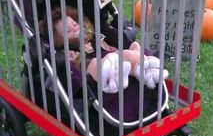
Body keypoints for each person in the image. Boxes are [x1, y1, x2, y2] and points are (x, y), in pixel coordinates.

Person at [39, 6, 168, 95]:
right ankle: (134, 67)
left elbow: (110, 39)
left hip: (118, 59)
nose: (75, 29)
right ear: (60, 41)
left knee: (131, 49)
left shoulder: (94, 35)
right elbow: (77, 67)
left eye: (74, 24)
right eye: (68, 31)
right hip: (101, 71)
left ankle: (143, 67)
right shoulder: (70, 51)